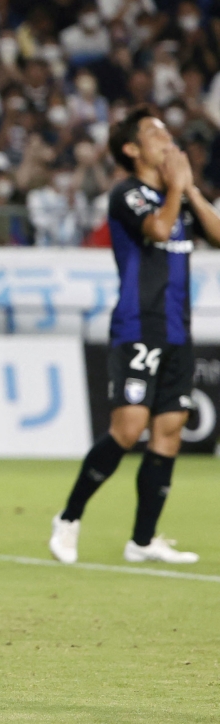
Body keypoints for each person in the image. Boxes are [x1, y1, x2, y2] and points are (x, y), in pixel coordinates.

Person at [49, 107, 220, 566]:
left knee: (169, 431)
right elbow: (159, 229)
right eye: (155, 132)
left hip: (177, 331)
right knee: (127, 430)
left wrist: (189, 189)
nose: (167, 137)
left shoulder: (176, 194)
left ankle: (142, 541)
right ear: (132, 149)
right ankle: (68, 517)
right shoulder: (129, 194)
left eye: (167, 129)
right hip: (137, 326)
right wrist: (179, 188)